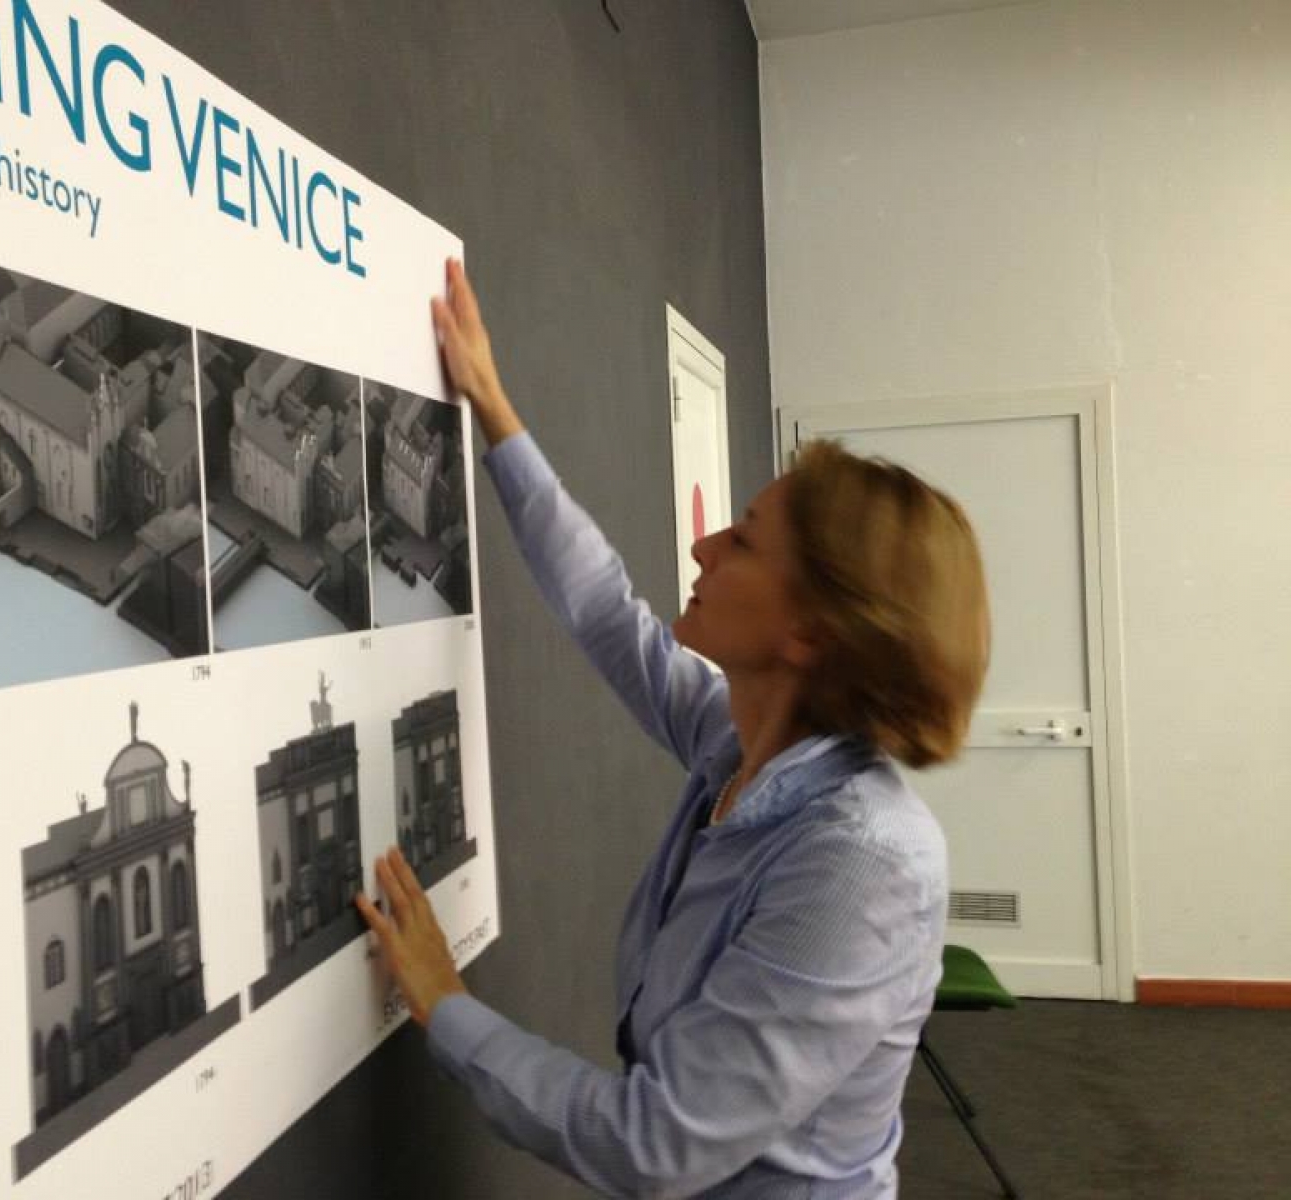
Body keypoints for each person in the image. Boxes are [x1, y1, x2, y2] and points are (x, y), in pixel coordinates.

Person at [355, 259, 990, 1199]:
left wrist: (446, 1003)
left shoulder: (862, 866)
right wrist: (493, 407)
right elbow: (609, 615)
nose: (704, 544)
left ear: (811, 632)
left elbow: (652, 1145)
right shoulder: (743, 747)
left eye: (744, 539)